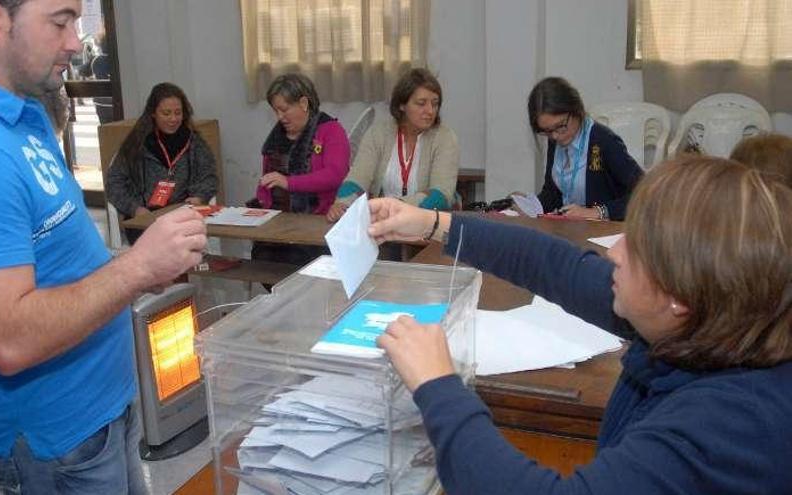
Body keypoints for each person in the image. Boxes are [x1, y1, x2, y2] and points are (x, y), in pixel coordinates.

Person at [0, 1, 207, 493]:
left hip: (100, 409)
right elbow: (8, 338)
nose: (76, 41)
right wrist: (135, 268)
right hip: (60, 438)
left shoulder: (17, 110)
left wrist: (131, 267)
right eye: (60, 21)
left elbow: (57, 257)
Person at [367, 156, 792, 493]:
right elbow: (551, 264)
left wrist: (439, 386)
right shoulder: (709, 319)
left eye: (637, 248)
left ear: (679, 295)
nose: (614, 253)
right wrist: (431, 223)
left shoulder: (729, 426)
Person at [326, 67, 459, 223]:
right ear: (402, 105)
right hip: (383, 221)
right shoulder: (378, 133)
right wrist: (342, 204)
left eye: (435, 104)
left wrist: (393, 208)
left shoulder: (445, 138)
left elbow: (441, 194)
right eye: (421, 103)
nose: (430, 111)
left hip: (427, 225)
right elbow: (357, 178)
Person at [249, 73, 350, 266]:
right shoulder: (275, 139)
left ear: (304, 103)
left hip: (319, 223)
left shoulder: (331, 130)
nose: (280, 117)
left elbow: (335, 174)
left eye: (284, 110)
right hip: (279, 223)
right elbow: (268, 181)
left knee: (298, 260)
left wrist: (289, 183)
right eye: (275, 111)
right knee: (262, 258)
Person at [106, 82, 218, 243]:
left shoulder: (194, 143)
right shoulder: (137, 144)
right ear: (153, 113)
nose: (173, 119)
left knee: (184, 243)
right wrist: (135, 209)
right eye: (166, 113)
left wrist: (199, 197)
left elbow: (209, 177)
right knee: (162, 246)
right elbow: (114, 183)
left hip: (182, 214)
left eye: (178, 113)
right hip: (145, 218)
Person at [528, 77, 642, 220]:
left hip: (602, 232)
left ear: (576, 110)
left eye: (561, 126)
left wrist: (598, 212)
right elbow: (554, 193)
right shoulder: (556, 139)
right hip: (570, 227)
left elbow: (644, 192)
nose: (555, 136)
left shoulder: (603, 141)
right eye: (547, 131)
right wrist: (530, 206)